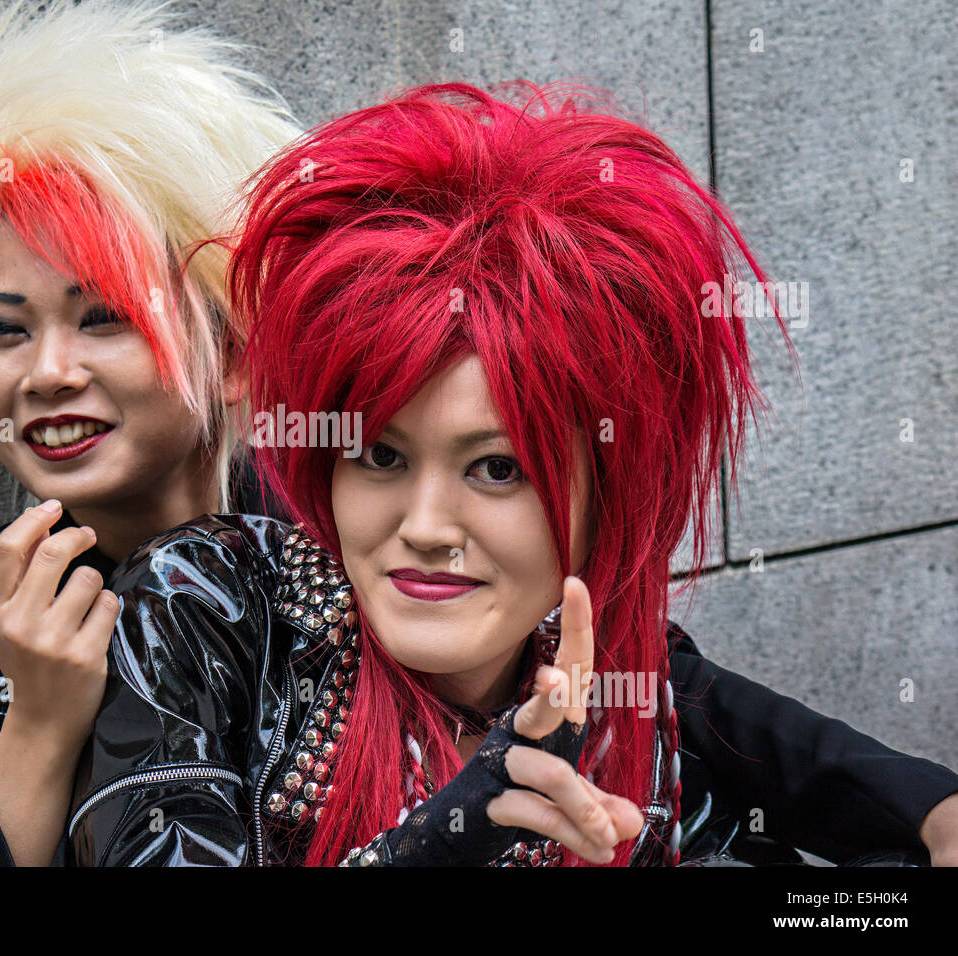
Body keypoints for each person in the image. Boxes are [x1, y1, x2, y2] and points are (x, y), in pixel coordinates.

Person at [67, 80, 958, 866]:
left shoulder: (620, 690)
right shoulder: (210, 607)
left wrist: (934, 811)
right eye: (380, 455)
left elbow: (796, 763)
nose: (424, 523)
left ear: (607, 499)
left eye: (497, 469)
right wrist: (456, 830)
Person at [0, 0, 299, 865]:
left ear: (232, 354)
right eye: (5, 329)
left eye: (105, 318)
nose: (46, 372)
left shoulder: (340, 547)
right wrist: (41, 724)